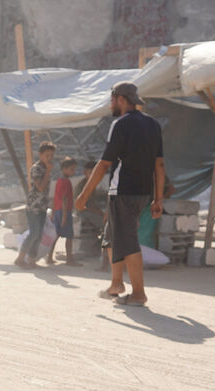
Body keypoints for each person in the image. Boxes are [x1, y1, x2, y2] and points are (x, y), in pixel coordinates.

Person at [76, 81, 164, 307]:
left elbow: (105, 164)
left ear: (122, 99)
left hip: (123, 191)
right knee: (112, 236)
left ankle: (139, 294)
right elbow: (160, 165)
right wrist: (158, 199)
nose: (110, 104)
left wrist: (84, 195)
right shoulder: (153, 124)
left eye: (112, 100)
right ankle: (116, 284)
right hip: (143, 192)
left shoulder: (120, 124)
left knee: (128, 241)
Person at [15, 141, 55, 268]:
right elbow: (41, 187)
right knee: (34, 233)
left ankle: (31, 260)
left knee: (39, 234)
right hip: (34, 206)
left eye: (51, 155)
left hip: (42, 206)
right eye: (47, 155)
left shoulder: (45, 168)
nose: (49, 158)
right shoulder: (37, 168)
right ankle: (20, 258)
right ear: (40, 154)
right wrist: (48, 172)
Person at [49, 156, 80, 266]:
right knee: (69, 237)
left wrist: (53, 213)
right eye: (72, 169)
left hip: (58, 211)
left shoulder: (59, 181)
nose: (73, 172)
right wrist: (65, 216)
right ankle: (69, 259)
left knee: (56, 235)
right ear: (64, 169)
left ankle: (49, 256)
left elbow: (55, 198)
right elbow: (64, 199)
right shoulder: (66, 182)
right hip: (64, 212)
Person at [75, 159, 108, 260]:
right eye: (91, 172)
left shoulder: (91, 183)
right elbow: (87, 204)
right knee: (107, 226)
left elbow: (93, 202)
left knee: (104, 225)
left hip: (90, 211)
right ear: (85, 172)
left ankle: (96, 249)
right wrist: (100, 213)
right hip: (84, 212)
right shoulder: (84, 184)